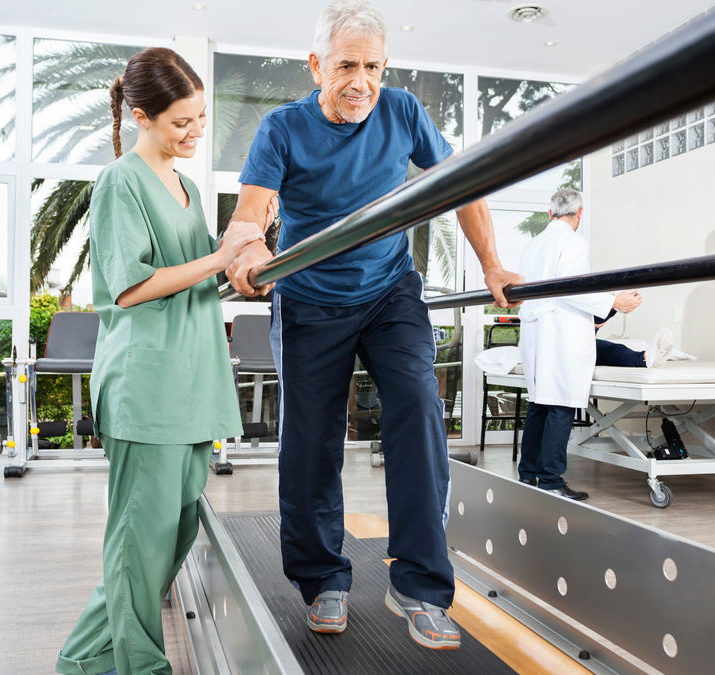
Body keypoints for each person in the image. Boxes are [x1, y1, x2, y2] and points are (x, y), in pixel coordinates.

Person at [224, 0, 524, 652]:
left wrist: (495, 264)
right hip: (308, 299)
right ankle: (323, 578)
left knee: (417, 406)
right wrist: (250, 253)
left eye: (373, 67)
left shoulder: (403, 112)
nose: (361, 81)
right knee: (310, 441)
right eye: (346, 66)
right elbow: (250, 216)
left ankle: (419, 585)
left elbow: (462, 186)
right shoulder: (283, 128)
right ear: (316, 67)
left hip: (390, 293)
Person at [55, 47, 265, 675]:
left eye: (201, 118)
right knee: (138, 539)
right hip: (146, 386)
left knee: (170, 537)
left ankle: (85, 656)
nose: (196, 132)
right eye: (182, 123)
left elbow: (202, 279)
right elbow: (131, 286)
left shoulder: (187, 187)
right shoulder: (120, 181)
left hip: (193, 381)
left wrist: (247, 267)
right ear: (142, 116)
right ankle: (139, 665)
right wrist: (221, 253)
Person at [517, 188, 639, 501]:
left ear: (550, 214)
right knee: (560, 403)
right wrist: (614, 301)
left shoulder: (533, 245)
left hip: (537, 329)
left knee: (539, 403)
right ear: (579, 214)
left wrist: (599, 312)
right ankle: (552, 480)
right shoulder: (573, 242)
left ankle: (528, 474)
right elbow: (572, 287)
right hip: (560, 334)